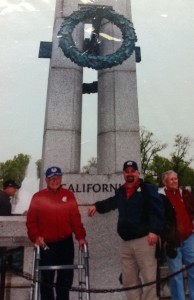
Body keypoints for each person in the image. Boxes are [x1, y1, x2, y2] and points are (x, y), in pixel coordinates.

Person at [88, 160, 164, 300]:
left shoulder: (147, 189)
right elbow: (111, 203)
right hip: (126, 243)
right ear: (123, 174)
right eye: (127, 171)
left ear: (137, 173)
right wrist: (96, 206)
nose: (130, 174)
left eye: (132, 171)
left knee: (150, 280)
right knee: (129, 281)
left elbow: (157, 210)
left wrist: (154, 230)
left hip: (145, 241)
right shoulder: (121, 191)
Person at [26, 166, 87, 300]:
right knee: (46, 281)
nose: (55, 181)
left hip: (66, 244)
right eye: (52, 178)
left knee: (65, 279)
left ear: (61, 179)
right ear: (47, 180)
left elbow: (75, 219)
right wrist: (36, 237)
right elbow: (31, 222)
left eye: (57, 178)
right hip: (47, 245)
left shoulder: (69, 195)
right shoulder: (38, 197)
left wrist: (81, 237)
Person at [160, 170, 194, 300]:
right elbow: (158, 220)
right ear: (165, 181)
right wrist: (164, 239)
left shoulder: (185, 194)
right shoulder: (160, 197)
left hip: (189, 238)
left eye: (176, 179)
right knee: (176, 274)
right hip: (172, 241)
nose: (175, 181)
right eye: (171, 179)